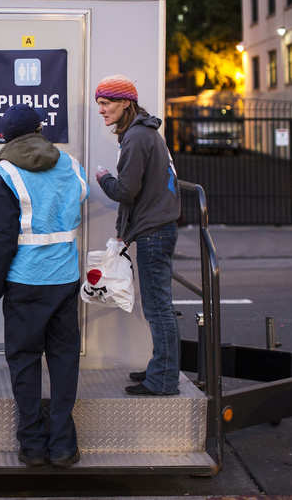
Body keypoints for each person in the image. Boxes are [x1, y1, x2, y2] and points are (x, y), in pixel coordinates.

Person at [0, 104, 88, 468]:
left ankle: (32, 446)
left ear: (7, 135)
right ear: (40, 130)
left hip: (25, 282)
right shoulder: (70, 164)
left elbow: (2, 239)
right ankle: (62, 446)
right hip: (65, 279)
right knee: (63, 360)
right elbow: (80, 198)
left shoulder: (4, 173)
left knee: (25, 361)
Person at [93, 74, 181, 396]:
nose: (101, 110)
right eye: (99, 104)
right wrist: (123, 233)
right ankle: (162, 368)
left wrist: (103, 178)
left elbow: (126, 191)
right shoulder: (143, 134)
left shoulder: (136, 138)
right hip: (156, 229)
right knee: (158, 306)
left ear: (125, 103)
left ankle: (163, 380)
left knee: (158, 307)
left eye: (106, 103)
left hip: (154, 232)